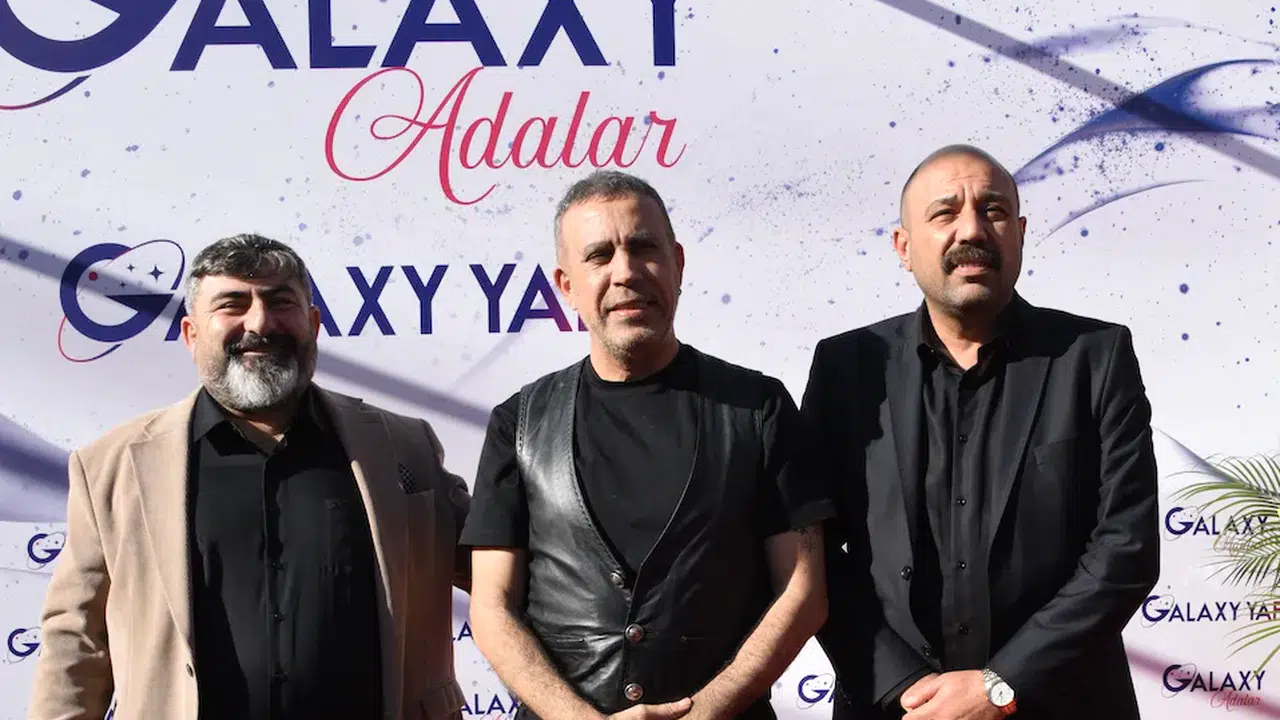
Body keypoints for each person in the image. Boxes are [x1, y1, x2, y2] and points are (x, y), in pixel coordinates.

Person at [28, 234, 472, 720]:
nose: (260, 322)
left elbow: (499, 568)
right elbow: (77, 639)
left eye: (281, 302)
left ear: (313, 324)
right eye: (232, 304)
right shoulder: (111, 467)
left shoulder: (402, 447)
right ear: (191, 335)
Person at [803, 145, 1159, 720]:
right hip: (896, 708)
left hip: (1060, 704)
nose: (972, 229)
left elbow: (1127, 546)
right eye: (944, 213)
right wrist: (905, 687)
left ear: (1019, 233)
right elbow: (812, 551)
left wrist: (1003, 685)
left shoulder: (1094, 358)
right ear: (903, 247)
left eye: (993, 211)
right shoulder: (848, 368)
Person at [462, 170, 833, 720]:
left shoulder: (759, 409)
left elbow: (803, 593)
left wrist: (704, 713)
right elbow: (492, 609)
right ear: (566, 285)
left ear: (677, 264)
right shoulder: (517, 424)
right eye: (599, 256)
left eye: (644, 248)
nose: (626, 272)